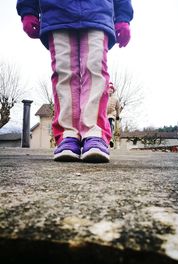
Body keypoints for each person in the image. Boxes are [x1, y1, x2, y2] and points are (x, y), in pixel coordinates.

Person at [16, 0, 133, 163]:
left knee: (95, 70)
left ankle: (94, 133)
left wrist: (123, 16)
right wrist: (28, 9)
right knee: (64, 73)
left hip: (98, 12)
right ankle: (67, 135)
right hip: (56, 12)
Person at [107, 82, 121, 148]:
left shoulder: (116, 99)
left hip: (112, 114)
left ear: (113, 91)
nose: (110, 91)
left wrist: (118, 115)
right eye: (109, 89)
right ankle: (105, 139)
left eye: (111, 90)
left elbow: (118, 108)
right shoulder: (104, 97)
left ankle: (110, 139)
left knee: (110, 125)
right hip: (104, 114)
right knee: (104, 127)